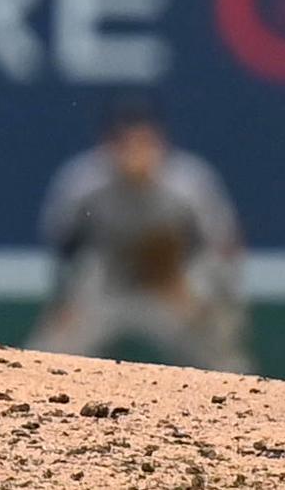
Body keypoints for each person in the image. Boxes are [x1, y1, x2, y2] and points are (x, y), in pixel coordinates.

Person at [30, 100, 252, 373]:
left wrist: (215, 303)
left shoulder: (188, 182)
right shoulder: (83, 181)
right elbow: (65, 247)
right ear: (108, 146)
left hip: (170, 286)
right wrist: (66, 301)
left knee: (225, 361)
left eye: (145, 144)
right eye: (126, 145)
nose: (136, 154)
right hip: (108, 286)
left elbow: (222, 245)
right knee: (48, 357)